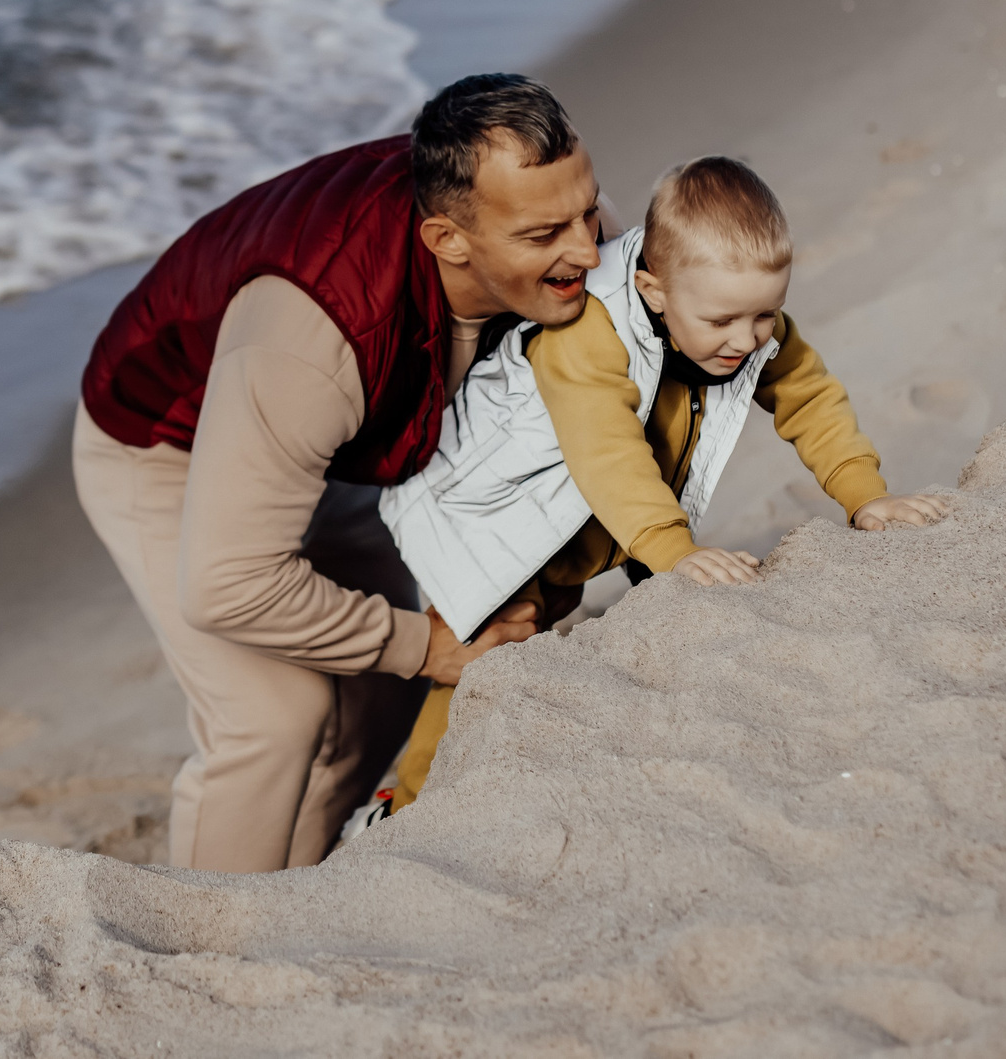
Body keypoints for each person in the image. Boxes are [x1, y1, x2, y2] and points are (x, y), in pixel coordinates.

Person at [74, 73, 612, 872]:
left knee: (378, 689)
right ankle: (205, 947)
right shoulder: (311, 339)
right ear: (447, 239)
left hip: (347, 436)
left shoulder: (541, 221)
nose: (587, 252)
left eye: (588, 212)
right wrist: (431, 644)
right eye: (545, 236)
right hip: (164, 442)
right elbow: (228, 583)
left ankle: (298, 883)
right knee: (274, 716)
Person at [372, 154, 951, 815]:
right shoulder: (585, 333)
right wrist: (675, 552)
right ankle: (404, 805)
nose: (747, 339)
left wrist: (864, 493)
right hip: (491, 520)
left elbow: (808, 395)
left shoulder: (734, 315)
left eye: (766, 314)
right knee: (484, 657)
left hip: (591, 533)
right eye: (724, 321)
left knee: (534, 645)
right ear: (653, 290)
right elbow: (607, 455)